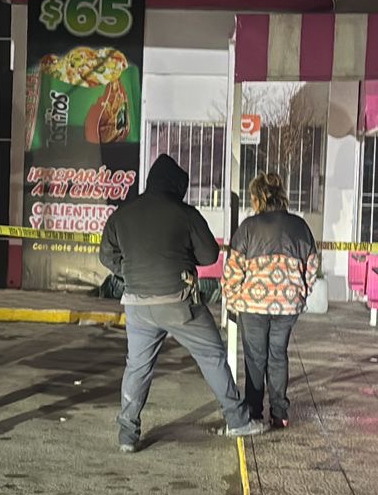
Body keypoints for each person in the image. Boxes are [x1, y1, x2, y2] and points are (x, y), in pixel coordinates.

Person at [99, 154, 266, 453]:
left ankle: (127, 436)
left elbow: (106, 256)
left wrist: (130, 273)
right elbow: (209, 255)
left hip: (137, 305)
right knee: (212, 356)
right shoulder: (186, 214)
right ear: (177, 185)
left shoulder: (123, 214)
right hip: (179, 303)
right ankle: (238, 420)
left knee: (137, 368)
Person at [223, 173, 320, 430]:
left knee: (255, 358)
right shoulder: (300, 227)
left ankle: (254, 413)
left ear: (257, 198)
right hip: (287, 305)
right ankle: (280, 413)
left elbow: (233, 270)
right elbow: (312, 267)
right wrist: (300, 293)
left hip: (252, 305)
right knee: (278, 355)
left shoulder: (248, 227)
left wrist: (232, 298)